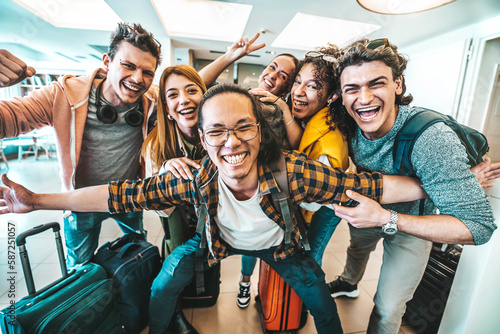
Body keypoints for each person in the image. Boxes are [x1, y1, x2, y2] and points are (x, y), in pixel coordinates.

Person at [0, 83, 431, 334]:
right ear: (203, 140)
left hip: (280, 248)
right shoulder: (193, 176)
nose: (232, 142)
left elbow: (367, 185)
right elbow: (117, 194)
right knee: (164, 283)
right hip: (216, 244)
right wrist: (36, 200)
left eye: (244, 126)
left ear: (260, 132)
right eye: (218, 132)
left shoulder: (293, 171)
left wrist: (436, 182)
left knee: (319, 299)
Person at [325, 38, 497, 334]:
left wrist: (387, 218)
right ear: (341, 95)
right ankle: (349, 282)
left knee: (388, 308)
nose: (363, 98)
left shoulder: (431, 139)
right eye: (352, 88)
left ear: (398, 84)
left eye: (376, 84)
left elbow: (478, 227)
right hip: (365, 216)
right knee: (356, 250)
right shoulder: (346, 122)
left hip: (413, 225)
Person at [0, 22, 162, 269]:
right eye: (128, 66)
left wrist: (229, 56)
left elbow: (187, 92)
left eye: (147, 72)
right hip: (78, 201)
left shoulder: (150, 101)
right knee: (79, 268)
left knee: (138, 252)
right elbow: (8, 121)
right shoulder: (63, 95)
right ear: (107, 62)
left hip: (127, 196)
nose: (138, 79)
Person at [197, 35, 303, 308]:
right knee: (239, 237)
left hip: (269, 190)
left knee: (263, 242)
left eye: (284, 76)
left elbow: (297, 145)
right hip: (230, 184)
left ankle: (265, 295)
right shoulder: (236, 98)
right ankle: (244, 282)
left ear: (288, 87)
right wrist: (231, 55)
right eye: (272, 67)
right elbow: (198, 86)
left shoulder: (284, 110)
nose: (273, 76)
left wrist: (280, 105)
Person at [141, 64, 206, 334]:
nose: (184, 100)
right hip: (180, 220)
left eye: (192, 90)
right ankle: (169, 317)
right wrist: (166, 175)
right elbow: (160, 209)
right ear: (166, 109)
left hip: (225, 221)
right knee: (165, 280)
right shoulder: (156, 146)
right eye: (173, 95)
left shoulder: (225, 131)